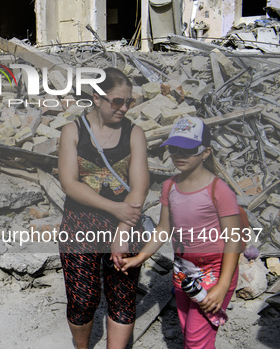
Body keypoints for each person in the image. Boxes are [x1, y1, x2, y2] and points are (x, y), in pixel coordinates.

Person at [121, 117, 241, 349]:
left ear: (205, 152)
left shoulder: (219, 190)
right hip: (183, 271)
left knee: (196, 340)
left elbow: (234, 240)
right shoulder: (170, 186)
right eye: (174, 148)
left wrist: (223, 285)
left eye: (188, 149)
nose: (179, 154)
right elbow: (163, 229)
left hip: (214, 272)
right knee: (190, 330)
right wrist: (140, 257)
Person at [58, 67, 149, 349]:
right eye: (117, 101)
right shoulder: (72, 132)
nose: (124, 108)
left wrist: (123, 226)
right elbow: (69, 183)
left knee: (122, 297)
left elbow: (140, 186)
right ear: (97, 98)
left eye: (128, 102)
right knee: (82, 299)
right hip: (79, 224)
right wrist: (115, 208)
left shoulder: (134, 134)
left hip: (124, 224)